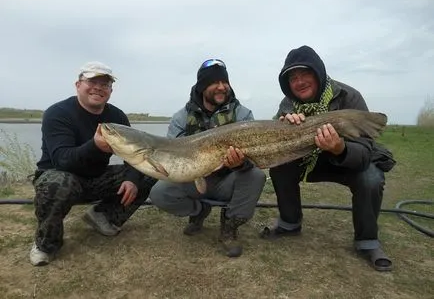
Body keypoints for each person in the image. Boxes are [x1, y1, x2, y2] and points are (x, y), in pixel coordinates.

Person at [260, 45, 395, 272]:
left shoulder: (350, 97)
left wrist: (339, 148)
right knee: (280, 165)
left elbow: (363, 152)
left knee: (371, 177)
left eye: (305, 74)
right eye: (293, 78)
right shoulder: (288, 104)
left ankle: (367, 241)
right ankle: (290, 223)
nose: (299, 82)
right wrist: (283, 124)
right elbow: (277, 143)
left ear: (318, 73)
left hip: (347, 161)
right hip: (309, 162)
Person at [30, 61, 157, 266]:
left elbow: (135, 156)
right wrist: (95, 146)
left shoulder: (116, 116)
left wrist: (133, 179)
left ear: (110, 90)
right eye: (92, 81)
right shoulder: (57, 113)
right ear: (78, 85)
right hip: (60, 175)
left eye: (105, 84)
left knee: (151, 170)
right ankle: (46, 244)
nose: (98, 87)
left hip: (97, 177)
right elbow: (62, 160)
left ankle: (105, 217)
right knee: (57, 183)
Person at [149, 59, 266, 258]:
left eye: (225, 82)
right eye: (215, 82)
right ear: (203, 86)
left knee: (256, 176)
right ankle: (199, 211)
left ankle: (230, 226)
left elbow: (255, 156)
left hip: (229, 179)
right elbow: (173, 154)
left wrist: (241, 162)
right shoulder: (181, 118)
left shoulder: (243, 115)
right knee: (160, 193)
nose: (222, 87)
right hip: (193, 179)